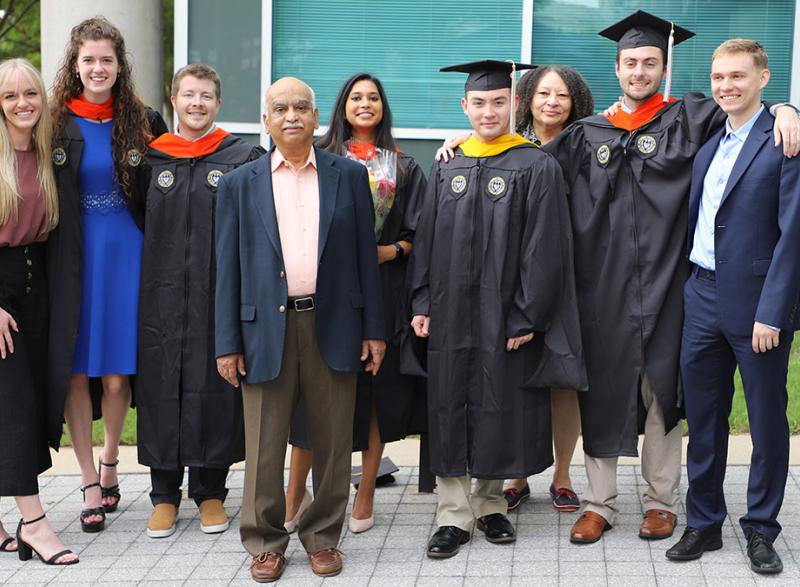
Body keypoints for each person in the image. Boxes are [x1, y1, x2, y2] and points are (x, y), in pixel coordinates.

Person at [539, 10, 800, 545]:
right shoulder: (586, 134)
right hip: (602, 289)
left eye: (650, 62)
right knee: (604, 392)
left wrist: (787, 108)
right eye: (631, 62)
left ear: (664, 67)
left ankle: (661, 502)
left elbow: (745, 112)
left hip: (671, 286)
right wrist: (460, 141)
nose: (640, 71)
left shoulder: (691, 117)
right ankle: (599, 503)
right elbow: (531, 172)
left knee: (665, 393)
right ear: (617, 68)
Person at [410, 59, 585, 560]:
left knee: (495, 404)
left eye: (499, 102)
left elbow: (544, 248)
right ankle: (451, 515)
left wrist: (525, 315)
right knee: (447, 405)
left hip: (500, 315)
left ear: (515, 104)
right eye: (479, 103)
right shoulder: (448, 162)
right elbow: (425, 238)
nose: (489, 112)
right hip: (448, 311)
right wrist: (421, 300)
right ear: (464, 106)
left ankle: (490, 506)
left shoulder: (534, 164)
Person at [214, 77, 386, 582]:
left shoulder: (348, 177)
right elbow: (227, 270)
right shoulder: (240, 184)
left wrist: (373, 329)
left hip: (333, 323)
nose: (292, 115)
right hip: (263, 329)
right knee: (264, 444)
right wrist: (227, 342)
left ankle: (322, 538)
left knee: (332, 441)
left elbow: (363, 262)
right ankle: (265, 542)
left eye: (302, 107)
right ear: (265, 120)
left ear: (317, 119)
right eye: (280, 108)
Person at [666, 39, 800, 575]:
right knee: (704, 417)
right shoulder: (709, 143)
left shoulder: (784, 140)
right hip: (700, 294)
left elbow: (794, 235)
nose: (726, 85)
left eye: (738, 76)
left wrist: (774, 311)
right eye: (720, 76)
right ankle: (703, 522)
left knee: (766, 420)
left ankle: (762, 528)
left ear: (763, 79)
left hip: (757, 304)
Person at [283, 72, 427, 535]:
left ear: (383, 108)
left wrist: (391, 250)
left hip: (383, 287)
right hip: (325, 289)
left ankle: (364, 491)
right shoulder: (317, 159)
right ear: (341, 105)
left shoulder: (402, 167)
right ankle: (293, 493)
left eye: (374, 98)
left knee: (374, 395)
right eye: (356, 97)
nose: (365, 104)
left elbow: (418, 234)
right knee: (310, 393)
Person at [47, 17, 167, 533]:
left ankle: (113, 459)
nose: (98, 68)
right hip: (74, 258)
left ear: (120, 66)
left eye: (107, 60)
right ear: (75, 66)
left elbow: (167, 185)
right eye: (88, 60)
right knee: (76, 372)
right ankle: (89, 480)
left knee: (118, 376)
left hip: (127, 256)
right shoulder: (54, 124)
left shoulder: (143, 121)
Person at [135, 64, 264, 539]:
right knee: (162, 384)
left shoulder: (241, 156)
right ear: (174, 101)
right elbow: (138, 214)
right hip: (162, 294)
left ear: (219, 104)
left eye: (206, 96)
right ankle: (163, 494)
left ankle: (211, 492)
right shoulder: (152, 161)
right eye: (188, 95)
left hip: (216, 292)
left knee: (215, 384)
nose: (196, 103)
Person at [0, 58, 78, 566]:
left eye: (30, 94)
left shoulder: (50, 156)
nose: (22, 103)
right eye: (10, 97)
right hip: (0, 293)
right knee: (17, 408)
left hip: (38, 288)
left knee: (24, 402)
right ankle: (35, 523)